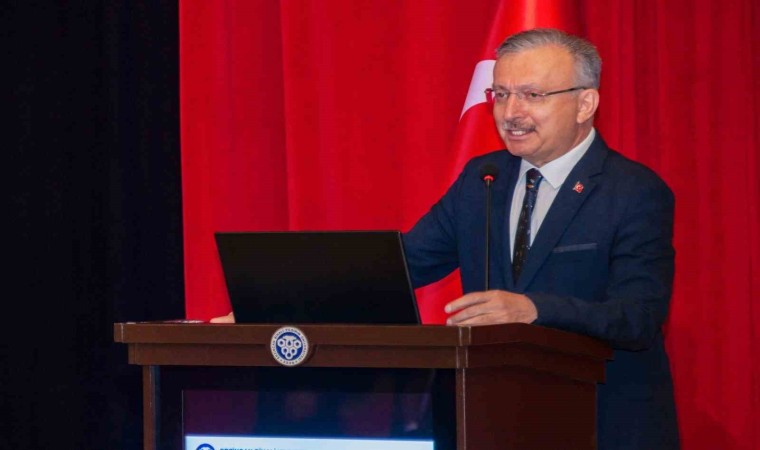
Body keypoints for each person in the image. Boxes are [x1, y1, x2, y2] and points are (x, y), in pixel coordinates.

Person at [402, 28, 679, 449]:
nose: (510, 112)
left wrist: (533, 309)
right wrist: (313, 278)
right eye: (501, 94)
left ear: (585, 104)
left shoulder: (633, 192)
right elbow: (407, 264)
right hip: (494, 421)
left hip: (601, 424)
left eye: (532, 95)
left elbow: (637, 317)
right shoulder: (482, 179)